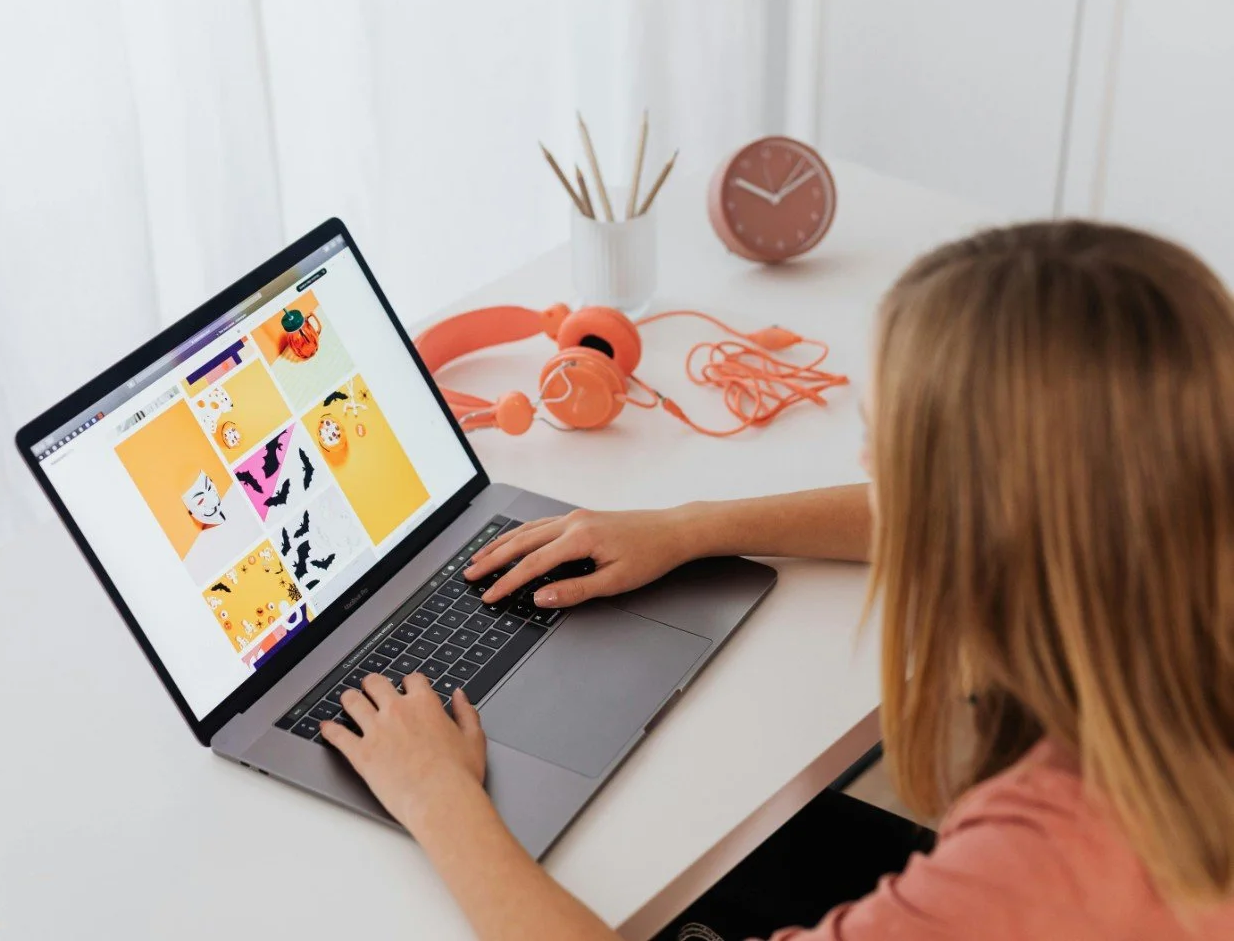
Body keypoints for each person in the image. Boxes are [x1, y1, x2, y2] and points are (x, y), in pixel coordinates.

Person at [318, 221, 1234, 939]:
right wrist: (690, 528)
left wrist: (438, 797)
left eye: (889, 450)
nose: (872, 470)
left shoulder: (1046, 871)